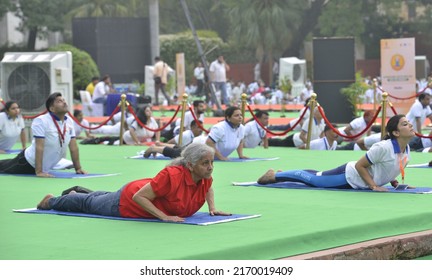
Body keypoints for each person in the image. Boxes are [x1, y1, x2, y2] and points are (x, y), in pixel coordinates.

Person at [36, 143, 230, 222]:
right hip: (128, 201)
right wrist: (164, 217)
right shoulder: (172, 175)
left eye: (211, 162)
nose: (211, 167)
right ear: (190, 165)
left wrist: (212, 208)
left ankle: (75, 194)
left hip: (134, 192)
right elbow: (139, 197)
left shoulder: (203, 176)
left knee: (100, 198)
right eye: (206, 163)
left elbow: (208, 188)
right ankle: (50, 201)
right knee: (88, 205)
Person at [257, 114, 414, 192]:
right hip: (350, 176)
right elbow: (360, 166)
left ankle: (285, 173)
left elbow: (389, 167)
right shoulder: (383, 147)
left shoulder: (406, 149)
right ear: (396, 133)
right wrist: (374, 186)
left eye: (409, 122)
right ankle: (274, 176)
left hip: (357, 179)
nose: (411, 125)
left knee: (318, 175)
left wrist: (394, 182)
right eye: (405, 124)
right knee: (314, 180)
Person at [0, 93, 86, 177]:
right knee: (3, 166)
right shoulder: (41, 121)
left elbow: (73, 147)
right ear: (52, 108)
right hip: (27, 162)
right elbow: (39, 147)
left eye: (63, 100)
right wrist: (39, 171)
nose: (64, 102)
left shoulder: (69, 121)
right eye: (59, 101)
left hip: (46, 166)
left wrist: (78, 168)